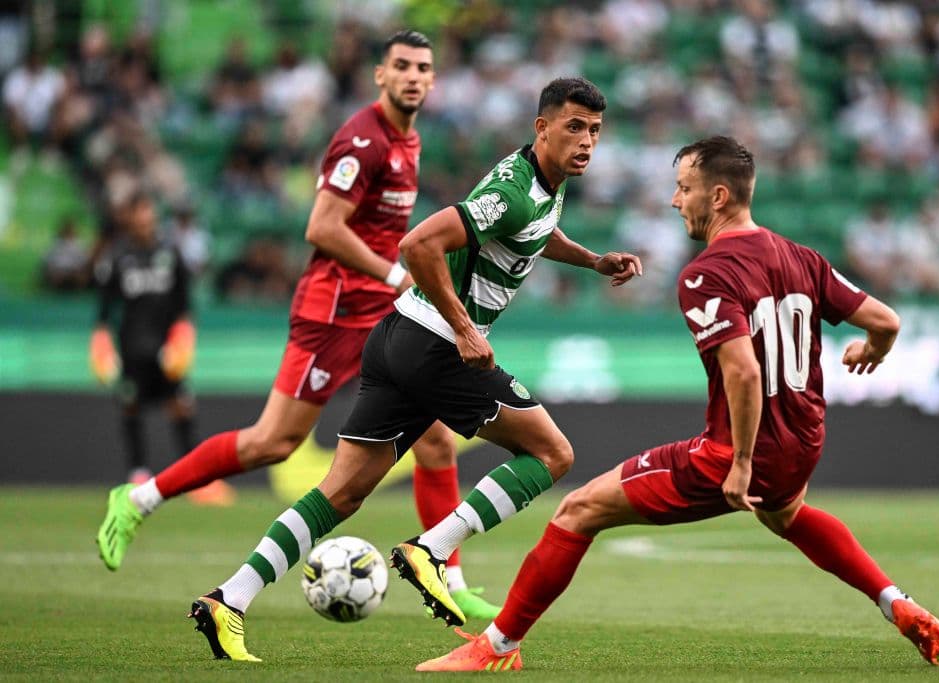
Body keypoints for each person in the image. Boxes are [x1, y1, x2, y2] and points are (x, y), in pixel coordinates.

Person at [416, 136, 939, 672]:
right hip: (804, 443)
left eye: (684, 188)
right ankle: (896, 601)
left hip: (737, 452)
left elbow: (742, 369)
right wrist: (872, 350)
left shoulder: (707, 273)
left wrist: (741, 461)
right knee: (785, 514)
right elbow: (886, 320)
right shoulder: (803, 258)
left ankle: (496, 647)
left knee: (578, 511)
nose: (676, 201)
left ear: (718, 197)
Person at [186, 76, 642, 662]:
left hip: (397, 337)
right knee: (553, 454)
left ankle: (230, 598)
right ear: (542, 127)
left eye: (595, 132)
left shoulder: (542, 186)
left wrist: (592, 260)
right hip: (436, 345)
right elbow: (418, 246)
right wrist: (464, 327)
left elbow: (533, 232)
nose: (586, 141)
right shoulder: (515, 189)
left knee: (342, 493)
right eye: (575, 127)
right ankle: (432, 549)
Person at [97, 31, 500, 620]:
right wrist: (393, 274)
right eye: (402, 67)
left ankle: (449, 575)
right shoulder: (361, 140)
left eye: (424, 68)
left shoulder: (408, 140)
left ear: (433, 81)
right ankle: (139, 498)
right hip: (333, 312)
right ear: (380, 76)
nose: (414, 76)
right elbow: (322, 227)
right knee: (273, 442)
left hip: (382, 312)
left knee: (437, 437)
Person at [90, 193, 198, 486]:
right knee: (131, 406)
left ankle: (196, 477)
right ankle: (138, 471)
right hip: (131, 351)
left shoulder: (171, 254)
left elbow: (184, 309)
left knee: (181, 406)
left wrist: (183, 341)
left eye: (149, 213)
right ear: (130, 218)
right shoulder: (116, 257)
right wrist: (101, 345)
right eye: (139, 214)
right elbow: (103, 313)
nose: (145, 220)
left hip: (166, 352)